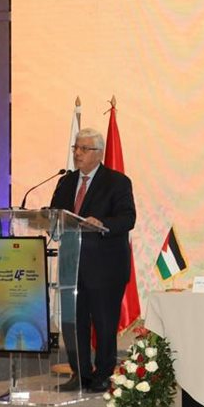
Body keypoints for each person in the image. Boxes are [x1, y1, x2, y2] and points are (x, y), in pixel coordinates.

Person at [49, 128, 136, 393]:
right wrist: (48, 219)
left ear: (99, 153)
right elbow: (55, 214)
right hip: (71, 265)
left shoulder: (117, 182)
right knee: (73, 324)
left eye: (84, 149)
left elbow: (127, 218)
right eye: (76, 148)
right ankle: (80, 373)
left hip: (105, 267)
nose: (77, 153)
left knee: (104, 323)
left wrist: (102, 223)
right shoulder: (66, 181)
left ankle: (104, 374)